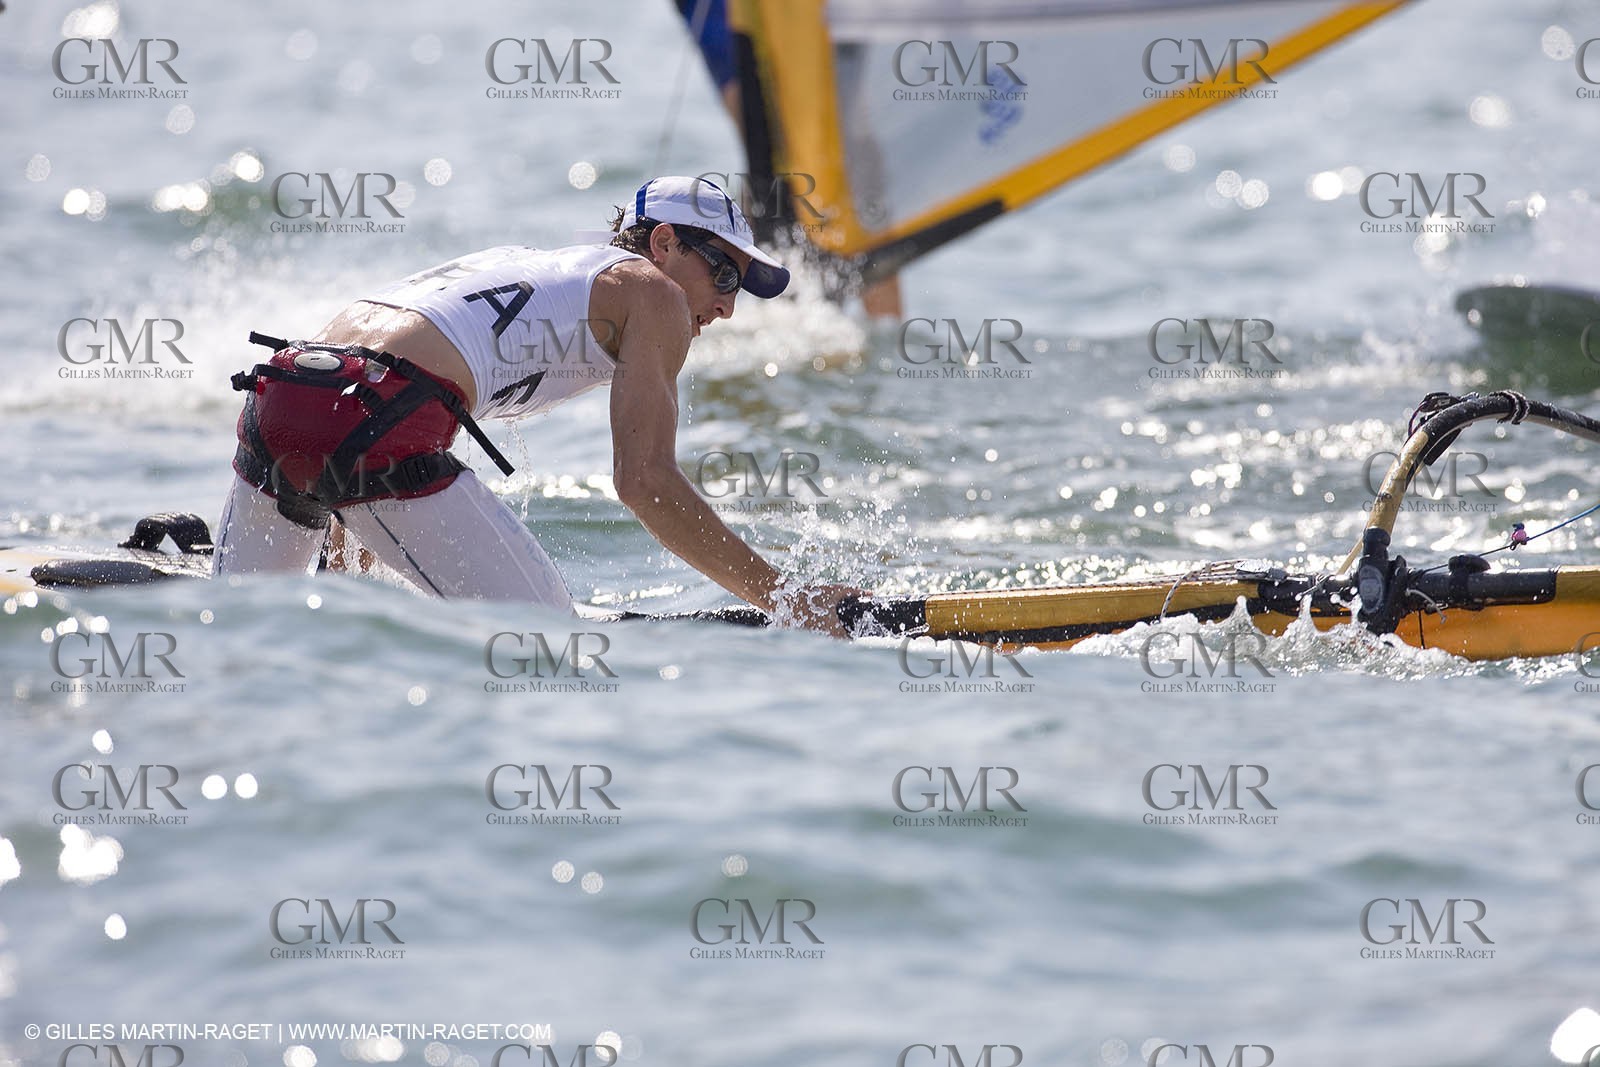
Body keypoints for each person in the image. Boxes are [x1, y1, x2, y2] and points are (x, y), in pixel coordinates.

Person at [213, 175, 862, 635]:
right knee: (552, 649)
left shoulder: (527, 264)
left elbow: (352, 383)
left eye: (740, 288)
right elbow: (644, 481)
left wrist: (349, 554)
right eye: (723, 274)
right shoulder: (652, 294)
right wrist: (787, 598)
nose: (727, 305)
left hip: (279, 394)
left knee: (240, 643)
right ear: (663, 245)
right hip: (372, 417)